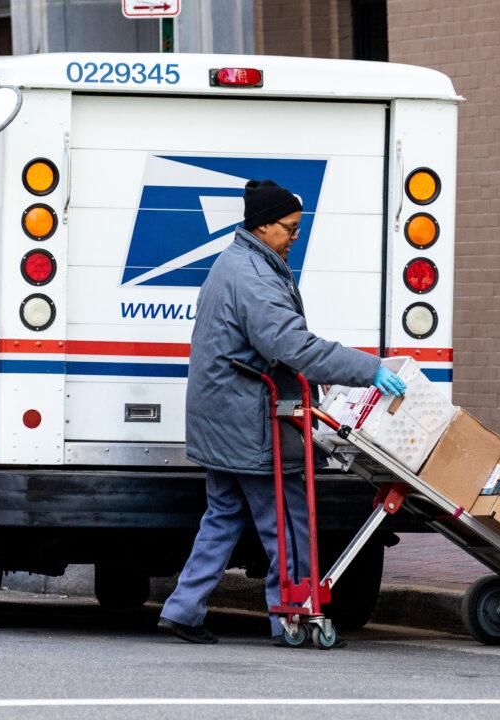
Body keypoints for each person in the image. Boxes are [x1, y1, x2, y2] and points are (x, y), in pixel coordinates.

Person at [157, 179, 407, 645]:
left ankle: (183, 609)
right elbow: (291, 344)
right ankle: (290, 615)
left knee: (223, 515)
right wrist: (368, 369)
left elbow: (261, 349)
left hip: (221, 419)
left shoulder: (235, 263)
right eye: (290, 228)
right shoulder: (254, 278)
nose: (296, 236)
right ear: (264, 226)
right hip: (251, 424)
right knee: (289, 522)